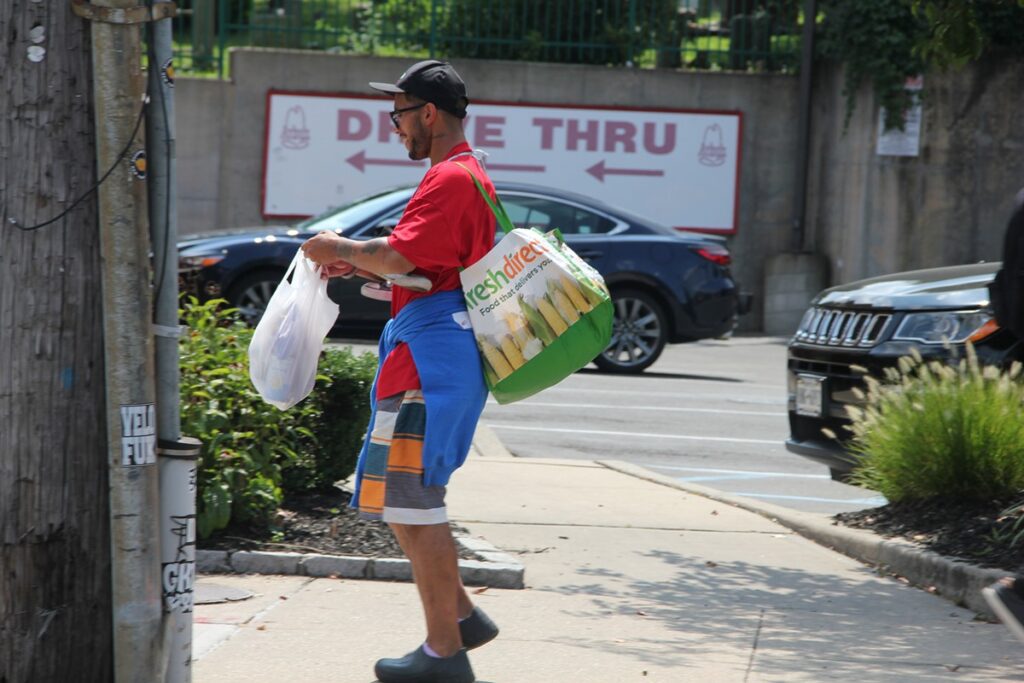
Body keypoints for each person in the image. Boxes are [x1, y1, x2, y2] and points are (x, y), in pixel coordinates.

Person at [301, 60, 497, 683]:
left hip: (430, 363)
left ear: (429, 115)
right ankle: (460, 616)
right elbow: (426, 270)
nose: (394, 128)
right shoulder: (468, 175)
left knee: (414, 502)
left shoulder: (450, 179)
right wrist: (362, 268)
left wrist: (339, 249)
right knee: (396, 499)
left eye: (399, 115)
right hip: (427, 351)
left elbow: (396, 253)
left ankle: (445, 655)